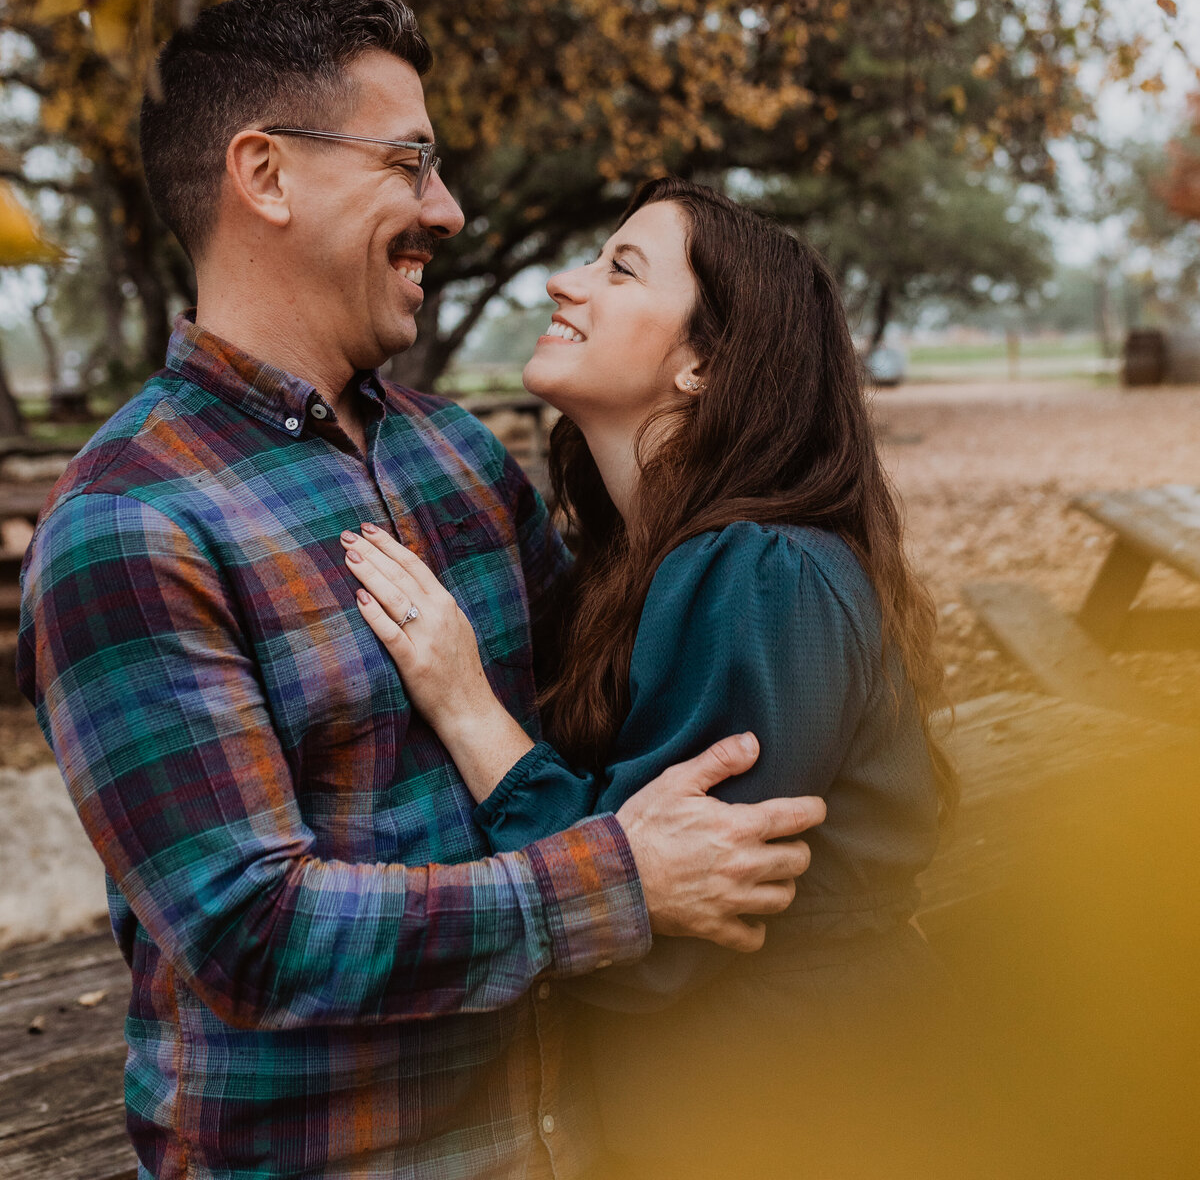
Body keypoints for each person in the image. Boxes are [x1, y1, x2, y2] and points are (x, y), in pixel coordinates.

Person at [16, 0, 825, 1180]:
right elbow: (252, 934)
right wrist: (619, 882)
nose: (447, 210)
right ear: (267, 176)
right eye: (410, 164)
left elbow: (596, 729)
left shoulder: (458, 460)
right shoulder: (128, 523)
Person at [344, 178, 954, 1180]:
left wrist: (464, 706)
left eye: (619, 267)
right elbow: (633, 862)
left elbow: (657, 942)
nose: (561, 283)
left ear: (705, 363)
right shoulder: (635, 566)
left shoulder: (763, 575)